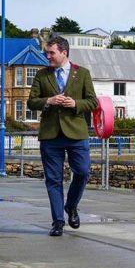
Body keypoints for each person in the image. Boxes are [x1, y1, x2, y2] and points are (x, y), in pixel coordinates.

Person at [27, 36, 97, 236]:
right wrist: (49, 100)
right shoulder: (41, 75)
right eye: (46, 53)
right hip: (50, 135)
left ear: (64, 53)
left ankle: (71, 206)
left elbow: (92, 102)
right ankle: (57, 221)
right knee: (53, 179)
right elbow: (32, 102)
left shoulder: (82, 73)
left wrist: (75, 104)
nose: (47, 56)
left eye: (51, 53)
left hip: (76, 132)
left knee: (83, 172)